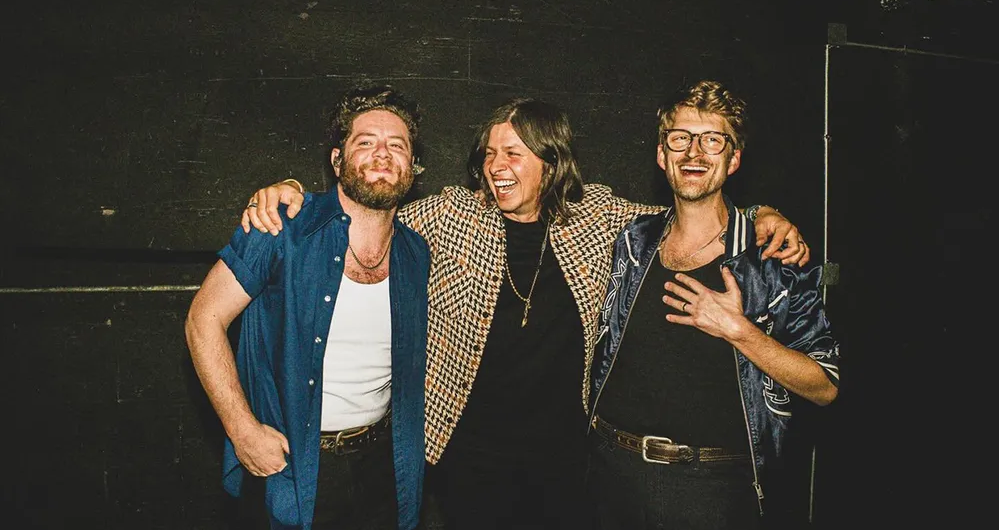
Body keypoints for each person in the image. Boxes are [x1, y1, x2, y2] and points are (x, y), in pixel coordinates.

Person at [240, 97, 810, 529]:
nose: (496, 164)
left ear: (551, 161)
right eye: (489, 152)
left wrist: (762, 213)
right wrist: (290, 190)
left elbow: (690, 208)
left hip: (568, 462)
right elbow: (370, 204)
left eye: (514, 152)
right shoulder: (451, 213)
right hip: (464, 457)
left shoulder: (598, 216)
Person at [587, 80, 840, 529]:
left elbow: (826, 385)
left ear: (734, 158)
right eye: (681, 138)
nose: (694, 153)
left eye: (712, 140)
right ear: (662, 155)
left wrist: (738, 329)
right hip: (609, 473)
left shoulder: (772, 260)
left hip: (712, 490)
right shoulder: (634, 239)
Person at [184, 83, 430, 530]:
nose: (382, 154)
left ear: (413, 166)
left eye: (397, 145)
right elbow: (204, 318)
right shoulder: (281, 227)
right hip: (299, 460)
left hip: (384, 460)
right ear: (337, 160)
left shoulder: (417, 253)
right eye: (365, 142)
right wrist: (242, 430)